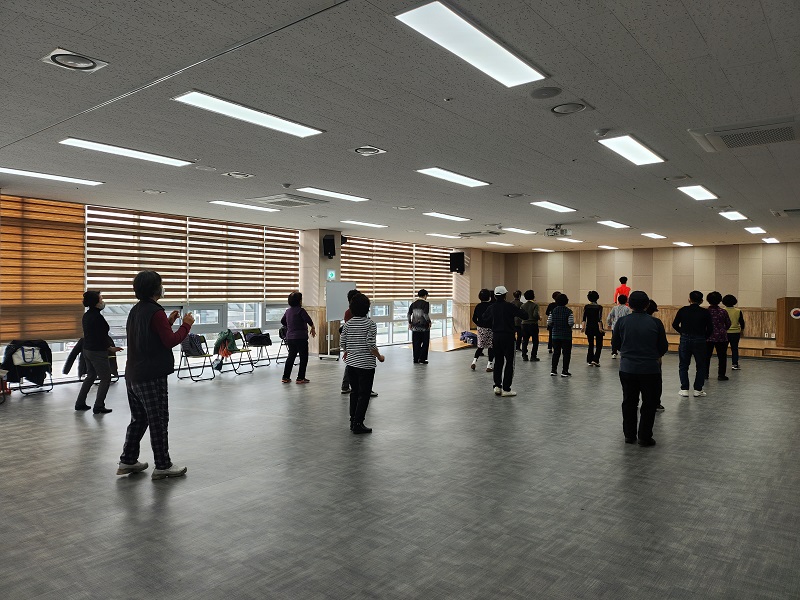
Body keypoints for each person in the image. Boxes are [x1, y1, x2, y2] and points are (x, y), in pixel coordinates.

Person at [117, 270, 194, 480]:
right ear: (155, 288)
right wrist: (186, 324)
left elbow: (151, 336)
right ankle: (163, 465)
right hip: (151, 375)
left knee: (139, 419)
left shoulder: (136, 310)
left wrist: (168, 322)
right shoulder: (155, 311)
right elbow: (170, 341)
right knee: (158, 419)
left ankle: (128, 460)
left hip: (133, 374)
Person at [612, 291, 669, 447]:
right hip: (650, 369)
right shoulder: (656, 323)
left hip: (627, 368)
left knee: (629, 402)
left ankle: (629, 435)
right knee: (649, 403)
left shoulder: (622, 322)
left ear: (629, 305)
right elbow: (663, 346)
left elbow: (615, 344)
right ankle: (644, 437)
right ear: (647, 305)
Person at [340, 293, 385, 434]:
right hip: (366, 365)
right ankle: (358, 423)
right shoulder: (370, 324)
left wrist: (349, 350)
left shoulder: (347, 324)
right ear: (367, 308)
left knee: (354, 392)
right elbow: (371, 344)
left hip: (351, 364)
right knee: (364, 394)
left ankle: (353, 421)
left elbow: (342, 343)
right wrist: (379, 356)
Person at [75, 290, 123, 414]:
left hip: (87, 350)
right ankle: (99, 405)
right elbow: (100, 337)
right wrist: (110, 348)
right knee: (105, 378)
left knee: (91, 376)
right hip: (97, 352)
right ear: (96, 302)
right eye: (101, 299)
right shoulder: (97, 317)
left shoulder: (86, 315)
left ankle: (80, 402)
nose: (102, 301)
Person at [481, 286, 527, 396]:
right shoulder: (510, 306)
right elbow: (525, 315)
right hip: (509, 337)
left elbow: (484, 318)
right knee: (509, 362)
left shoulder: (492, 307)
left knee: (498, 361)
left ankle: (497, 386)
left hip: (496, 337)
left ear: (495, 296)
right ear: (505, 295)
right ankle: (506, 389)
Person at [672, 290, 713, 397]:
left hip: (685, 339)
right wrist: (704, 337)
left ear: (689, 299)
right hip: (700, 339)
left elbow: (675, 324)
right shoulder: (705, 312)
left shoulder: (683, 310)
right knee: (701, 365)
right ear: (701, 300)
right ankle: (698, 389)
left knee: (683, 365)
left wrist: (682, 332)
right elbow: (710, 328)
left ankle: (684, 389)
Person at [281, 291, 316, 383]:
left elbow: (282, 321)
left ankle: (285, 377)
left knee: (291, 357)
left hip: (290, 337)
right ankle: (300, 378)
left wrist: (290, 326)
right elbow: (308, 320)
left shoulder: (288, 311)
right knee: (303, 357)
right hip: (301, 337)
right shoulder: (301, 310)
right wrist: (312, 327)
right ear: (299, 301)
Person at [706, 291, 732, 381]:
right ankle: (721, 375)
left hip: (708, 337)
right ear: (720, 300)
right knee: (722, 357)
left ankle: (705, 374)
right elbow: (728, 324)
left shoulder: (706, 312)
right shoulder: (723, 312)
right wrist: (722, 329)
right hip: (721, 337)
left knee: (706, 356)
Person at [548, 293, 574, 377]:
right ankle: (564, 371)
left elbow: (549, 322)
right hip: (566, 335)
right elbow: (570, 322)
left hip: (555, 335)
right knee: (566, 353)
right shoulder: (569, 311)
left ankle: (553, 370)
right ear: (566, 301)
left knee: (556, 352)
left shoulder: (553, 311)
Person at [470, 289, 495, 371]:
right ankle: (489, 365)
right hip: (490, 329)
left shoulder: (478, 306)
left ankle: (474, 362)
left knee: (480, 347)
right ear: (489, 297)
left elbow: (474, 318)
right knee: (491, 347)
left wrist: (479, 324)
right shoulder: (492, 306)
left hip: (481, 329)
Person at [408, 289, 431, 364]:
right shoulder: (426, 303)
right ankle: (422, 359)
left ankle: (416, 359)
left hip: (415, 327)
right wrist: (429, 322)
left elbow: (409, 314)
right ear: (425, 296)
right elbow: (425, 314)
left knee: (416, 343)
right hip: (424, 327)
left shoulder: (413, 304)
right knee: (425, 343)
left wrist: (410, 322)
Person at [722, 294, 745, 370]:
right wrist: (742, 331)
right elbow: (742, 322)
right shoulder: (738, 311)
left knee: (723, 349)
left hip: (725, 332)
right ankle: (735, 364)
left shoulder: (722, 310)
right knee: (734, 349)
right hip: (735, 332)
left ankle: (722, 364)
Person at [582, 291, 604, 367]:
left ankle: (589, 360)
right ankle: (596, 360)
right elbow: (599, 319)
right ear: (597, 297)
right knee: (599, 344)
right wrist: (600, 328)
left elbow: (584, 318)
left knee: (590, 344)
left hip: (589, 327)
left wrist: (583, 327)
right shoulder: (599, 307)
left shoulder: (586, 307)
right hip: (597, 327)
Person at [520, 290, 540, 362]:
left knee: (525, 341)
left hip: (524, 324)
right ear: (533, 296)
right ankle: (533, 356)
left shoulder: (522, 305)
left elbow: (521, 315)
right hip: (533, 324)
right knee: (535, 341)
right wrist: (539, 318)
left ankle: (524, 356)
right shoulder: (535, 305)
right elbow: (535, 315)